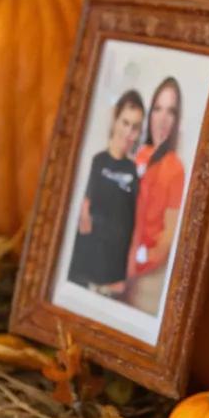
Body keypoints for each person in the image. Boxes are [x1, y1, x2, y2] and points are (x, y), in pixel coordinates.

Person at [67, 90, 144, 295]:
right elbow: (81, 207)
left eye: (135, 127)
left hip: (114, 278)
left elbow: (134, 224)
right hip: (84, 268)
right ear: (115, 121)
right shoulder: (95, 161)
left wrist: (126, 272)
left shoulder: (135, 171)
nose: (129, 132)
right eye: (125, 123)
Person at [125, 77, 185, 317]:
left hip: (143, 276)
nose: (162, 118)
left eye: (170, 111)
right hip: (116, 266)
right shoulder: (137, 155)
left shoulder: (175, 169)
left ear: (176, 119)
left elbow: (168, 237)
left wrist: (138, 260)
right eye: (157, 108)